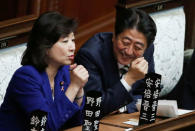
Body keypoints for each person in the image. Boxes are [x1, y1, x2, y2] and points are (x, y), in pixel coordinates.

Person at [0, 11, 89, 131]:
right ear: (45, 46)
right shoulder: (26, 77)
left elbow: (73, 123)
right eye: (65, 41)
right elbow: (46, 126)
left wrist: (79, 90)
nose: (72, 47)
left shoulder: (63, 72)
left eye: (72, 40)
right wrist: (74, 86)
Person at [75, 7, 157, 117]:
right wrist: (129, 79)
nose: (129, 51)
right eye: (125, 42)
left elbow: (147, 94)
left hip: (126, 117)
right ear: (114, 36)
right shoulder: (91, 54)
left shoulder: (147, 50)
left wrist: (124, 108)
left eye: (137, 47)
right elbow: (94, 106)